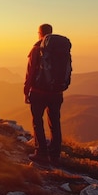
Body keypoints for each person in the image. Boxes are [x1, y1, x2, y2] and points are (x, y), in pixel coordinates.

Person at [24, 23, 64, 166]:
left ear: (40, 33)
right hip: (57, 92)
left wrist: (26, 90)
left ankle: (41, 153)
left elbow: (30, 73)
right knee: (55, 122)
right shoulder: (59, 50)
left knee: (37, 121)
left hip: (39, 92)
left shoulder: (36, 49)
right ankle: (55, 155)